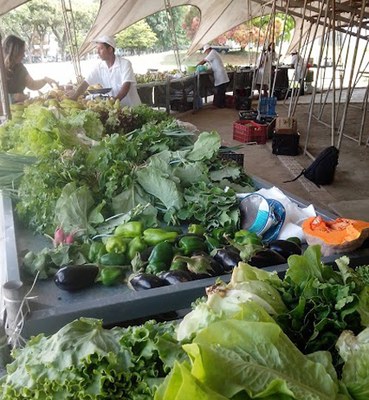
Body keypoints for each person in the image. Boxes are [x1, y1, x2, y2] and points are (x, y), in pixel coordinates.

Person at [71, 35, 141, 107]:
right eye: (97, 49)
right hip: (115, 109)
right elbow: (86, 83)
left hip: (132, 107)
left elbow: (126, 86)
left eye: (101, 48)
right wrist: (74, 97)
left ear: (110, 49)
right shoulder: (99, 67)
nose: (98, 52)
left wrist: (115, 100)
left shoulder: (125, 64)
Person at [3, 35, 56, 103]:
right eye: (21, 52)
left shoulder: (20, 68)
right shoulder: (2, 69)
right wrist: (12, 97)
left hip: (19, 108)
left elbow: (32, 84)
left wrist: (45, 80)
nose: (24, 55)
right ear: (13, 53)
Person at [196, 44, 230, 108]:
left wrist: (196, 66)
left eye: (206, 51)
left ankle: (219, 105)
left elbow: (204, 61)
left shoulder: (212, 53)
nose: (206, 53)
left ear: (208, 49)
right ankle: (220, 105)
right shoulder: (213, 53)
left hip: (220, 75)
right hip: (220, 75)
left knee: (220, 91)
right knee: (220, 91)